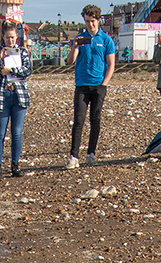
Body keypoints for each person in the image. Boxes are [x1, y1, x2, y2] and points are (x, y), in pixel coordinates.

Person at [65, 4, 116, 169]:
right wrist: (75, 47)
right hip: (81, 84)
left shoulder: (106, 40)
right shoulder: (79, 38)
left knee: (95, 120)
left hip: (98, 85)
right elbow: (70, 61)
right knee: (78, 120)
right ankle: (74, 156)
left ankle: (91, 154)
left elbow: (111, 64)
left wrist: (104, 84)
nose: (90, 24)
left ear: (98, 20)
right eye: (87, 21)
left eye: (92, 21)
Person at [0, 20, 32, 179]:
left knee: (17, 133)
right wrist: (0, 60)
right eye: (7, 38)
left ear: (17, 37)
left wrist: (11, 70)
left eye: (12, 38)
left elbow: (27, 70)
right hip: (0, 96)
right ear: (2, 37)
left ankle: (15, 165)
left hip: (19, 96)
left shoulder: (22, 52)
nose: (10, 41)